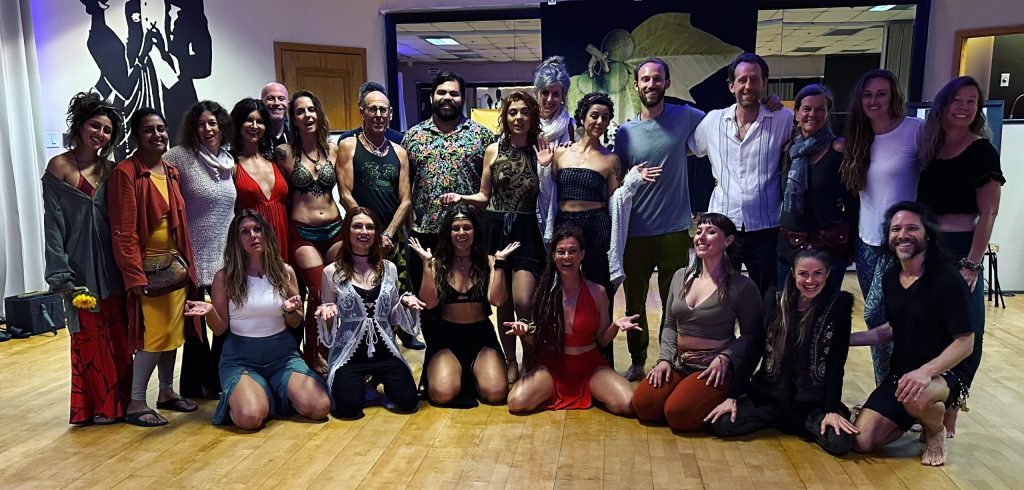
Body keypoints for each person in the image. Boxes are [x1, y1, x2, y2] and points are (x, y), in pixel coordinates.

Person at [539, 92, 661, 369]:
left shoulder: (611, 159)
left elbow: (615, 200)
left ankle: (601, 363)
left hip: (597, 227)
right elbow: (547, 193)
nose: (599, 121)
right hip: (564, 226)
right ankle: (562, 357)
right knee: (560, 291)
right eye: (594, 115)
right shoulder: (560, 153)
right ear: (582, 117)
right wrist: (544, 167)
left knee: (599, 293)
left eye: (605, 117)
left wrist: (632, 183)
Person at [850, 202, 974, 467]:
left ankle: (935, 429)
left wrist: (926, 372)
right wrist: (844, 340)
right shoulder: (891, 277)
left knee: (917, 396)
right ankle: (915, 415)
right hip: (902, 375)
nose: (902, 235)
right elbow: (892, 329)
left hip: (944, 374)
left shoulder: (948, 279)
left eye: (912, 228)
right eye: (896, 229)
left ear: (927, 234)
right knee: (862, 441)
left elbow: (966, 342)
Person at [183, 210, 331, 430]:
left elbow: (295, 322)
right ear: (236, 240)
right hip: (241, 359)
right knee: (250, 418)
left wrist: (291, 311)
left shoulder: (284, 271)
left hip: (283, 356)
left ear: (266, 233)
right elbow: (220, 329)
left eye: (257, 229)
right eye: (245, 231)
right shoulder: (224, 277)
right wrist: (211, 311)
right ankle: (257, 395)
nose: (252, 235)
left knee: (320, 407)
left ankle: (268, 392)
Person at [916, 75, 1004, 434]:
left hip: (960, 250)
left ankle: (953, 403)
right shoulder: (930, 148)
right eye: (958, 100)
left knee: (965, 330)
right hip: (928, 249)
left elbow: (989, 213)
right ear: (944, 105)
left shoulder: (981, 151)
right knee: (930, 328)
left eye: (972, 101)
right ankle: (930, 401)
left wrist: (972, 262)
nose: (964, 107)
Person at [440, 90, 546, 383]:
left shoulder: (540, 149)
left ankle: (530, 357)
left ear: (532, 116)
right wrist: (461, 197)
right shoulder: (493, 149)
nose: (518, 118)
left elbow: (548, 192)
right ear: (505, 117)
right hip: (495, 229)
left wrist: (548, 165)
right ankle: (510, 360)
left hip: (526, 229)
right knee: (503, 301)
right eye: (513, 112)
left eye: (524, 112)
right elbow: (485, 195)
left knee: (524, 301)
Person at [613, 57, 707, 381]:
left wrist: (767, 103)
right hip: (635, 230)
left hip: (674, 229)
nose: (651, 84)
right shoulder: (625, 132)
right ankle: (638, 361)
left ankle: (671, 359)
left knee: (675, 303)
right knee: (634, 303)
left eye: (657, 78)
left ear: (667, 83)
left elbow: (719, 126)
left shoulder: (686, 116)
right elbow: (618, 179)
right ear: (636, 85)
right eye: (645, 79)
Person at [708, 249, 856, 456]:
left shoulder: (838, 305)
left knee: (839, 442)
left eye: (817, 273)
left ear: (828, 274)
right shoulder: (775, 299)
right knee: (722, 423)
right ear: (793, 273)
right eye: (803, 273)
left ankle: (800, 422)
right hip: (770, 395)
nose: (810, 280)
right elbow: (754, 350)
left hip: (812, 402)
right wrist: (732, 396)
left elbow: (836, 362)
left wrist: (831, 410)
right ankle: (782, 420)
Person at [43, 91, 132, 425]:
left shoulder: (112, 170)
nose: (100, 134)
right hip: (79, 268)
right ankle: (97, 408)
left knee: (119, 338)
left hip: (113, 268)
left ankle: (122, 405)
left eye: (107, 130)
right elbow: (53, 226)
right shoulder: (59, 167)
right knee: (89, 339)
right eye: (95, 126)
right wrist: (61, 277)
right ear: (80, 125)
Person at [108, 108, 201, 427]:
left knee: (173, 333)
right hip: (148, 270)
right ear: (136, 136)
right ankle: (136, 401)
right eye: (149, 130)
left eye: (161, 128)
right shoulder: (126, 172)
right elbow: (123, 230)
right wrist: (134, 275)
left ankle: (166, 392)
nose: (157, 135)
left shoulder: (171, 171)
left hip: (175, 268)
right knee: (153, 336)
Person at [631, 213, 763, 432]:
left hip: (713, 367)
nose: (701, 237)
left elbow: (752, 334)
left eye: (711, 232)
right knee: (643, 405)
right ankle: (688, 393)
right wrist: (664, 359)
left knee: (678, 415)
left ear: (728, 240)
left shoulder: (742, 286)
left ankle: (731, 396)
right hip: (679, 361)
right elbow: (670, 324)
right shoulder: (680, 276)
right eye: (699, 231)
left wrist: (726, 357)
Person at [841, 69, 923, 386]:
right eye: (867, 94)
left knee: (876, 313)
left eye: (881, 94)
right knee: (880, 319)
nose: (873, 101)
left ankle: (897, 387)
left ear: (893, 97)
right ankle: (885, 388)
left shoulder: (914, 130)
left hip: (899, 243)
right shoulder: (859, 138)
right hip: (866, 242)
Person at [504, 224, 640, 414]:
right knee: (516, 403)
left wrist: (615, 326)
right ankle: (563, 391)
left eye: (573, 251)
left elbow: (602, 340)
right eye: (561, 252)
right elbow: (537, 341)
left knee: (628, 404)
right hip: (552, 367)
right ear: (553, 256)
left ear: (582, 255)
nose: (567, 256)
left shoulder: (598, 292)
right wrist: (525, 333)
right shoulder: (543, 293)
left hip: (589, 367)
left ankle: (593, 390)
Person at [690, 52, 793, 296]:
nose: (748, 85)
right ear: (731, 86)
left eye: (754, 79)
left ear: (764, 82)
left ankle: (761, 325)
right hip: (722, 226)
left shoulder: (782, 119)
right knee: (719, 294)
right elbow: (688, 148)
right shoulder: (713, 121)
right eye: (742, 80)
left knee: (766, 296)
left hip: (766, 225)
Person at [315, 207, 425, 419]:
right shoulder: (331, 272)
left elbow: (392, 314)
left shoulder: (389, 268)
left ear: (376, 233)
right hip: (350, 353)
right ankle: (361, 385)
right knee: (348, 409)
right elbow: (328, 330)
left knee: (409, 403)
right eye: (357, 226)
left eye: (370, 227)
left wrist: (405, 303)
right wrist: (327, 315)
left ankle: (377, 381)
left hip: (385, 351)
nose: (364, 232)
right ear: (347, 231)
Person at [336, 82, 422, 350]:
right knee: (366, 287)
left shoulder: (400, 152)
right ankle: (366, 339)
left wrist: (388, 233)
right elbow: (345, 194)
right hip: (361, 234)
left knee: (399, 286)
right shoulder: (348, 146)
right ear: (361, 111)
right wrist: (368, 230)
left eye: (383, 110)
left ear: (391, 113)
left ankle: (403, 332)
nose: (378, 115)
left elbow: (406, 199)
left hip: (392, 234)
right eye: (372, 109)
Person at [164, 100, 237, 399]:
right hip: (191, 255)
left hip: (225, 255)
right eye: (201, 124)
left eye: (212, 123)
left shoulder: (228, 161)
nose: (207, 129)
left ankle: (217, 379)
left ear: (222, 126)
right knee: (195, 326)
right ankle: (195, 386)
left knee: (223, 322)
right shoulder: (180, 157)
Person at [403, 71, 494, 295]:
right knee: (428, 302)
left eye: (454, 94)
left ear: (462, 98)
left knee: (470, 299)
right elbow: (404, 189)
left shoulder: (482, 137)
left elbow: (490, 190)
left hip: (468, 235)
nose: (447, 97)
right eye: (441, 92)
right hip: (426, 233)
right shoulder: (413, 137)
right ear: (431, 97)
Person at [408, 204, 508, 408]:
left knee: (496, 393)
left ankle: (470, 375)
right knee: (441, 394)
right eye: (456, 228)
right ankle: (459, 375)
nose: (461, 233)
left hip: (481, 336)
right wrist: (426, 265)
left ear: (475, 231)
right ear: (448, 233)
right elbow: (429, 303)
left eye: (467, 227)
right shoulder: (437, 263)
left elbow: (497, 300)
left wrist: (500, 264)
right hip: (446, 336)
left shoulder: (488, 261)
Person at [274, 90, 342, 372]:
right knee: (317, 290)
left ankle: (334, 347)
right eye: (300, 111)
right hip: (303, 232)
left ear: (318, 113)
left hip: (335, 229)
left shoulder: (333, 149)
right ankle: (313, 353)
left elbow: (345, 189)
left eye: (311, 109)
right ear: (293, 118)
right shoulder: (284, 153)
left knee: (337, 289)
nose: (307, 115)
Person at [777, 85, 854, 295]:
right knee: (786, 307)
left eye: (820, 109)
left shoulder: (839, 149)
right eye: (807, 109)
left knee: (826, 309)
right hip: (790, 245)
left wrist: (852, 246)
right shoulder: (788, 150)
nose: (812, 114)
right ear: (796, 114)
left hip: (828, 246)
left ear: (827, 114)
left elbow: (853, 201)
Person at [230, 98, 290, 263]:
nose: (255, 126)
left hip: (282, 235)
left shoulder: (275, 159)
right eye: (249, 120)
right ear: (238, 124)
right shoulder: (230, 164)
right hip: (251, 242)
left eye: (260, 121)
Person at [533, 56, 574, 145]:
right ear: (536, 92)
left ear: (563, 96)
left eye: (556, 94)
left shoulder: (572, 126)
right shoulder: (526, 124)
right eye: (545, 93)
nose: (549, 99)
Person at [262, 82, 290, 148]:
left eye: (281, 98)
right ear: (261, 102)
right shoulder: (255, 136)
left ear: (288, 104)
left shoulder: (296, 138)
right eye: (270, 98)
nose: (276, 103)